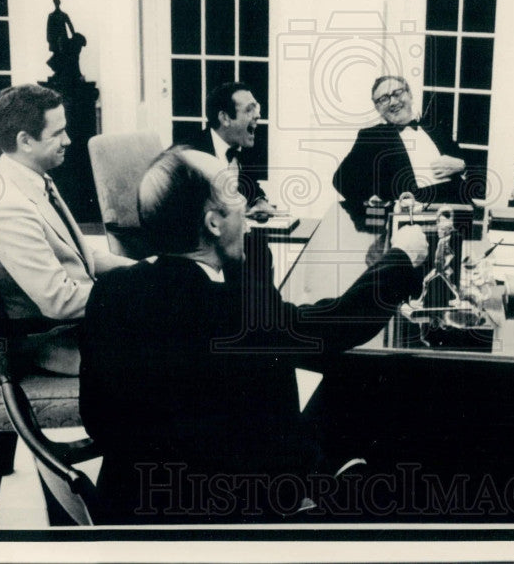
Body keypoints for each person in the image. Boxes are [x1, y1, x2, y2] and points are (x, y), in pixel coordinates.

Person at [79, 148, 428, 523]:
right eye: (233, 191)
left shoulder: (110, 292)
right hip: (231, 520)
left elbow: (96, 419)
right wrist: (400, 258)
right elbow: (336, 324)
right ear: (213, 223)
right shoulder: (237, 310)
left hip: (135, 506)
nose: (245, 199)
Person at [0, 84, 132, 375]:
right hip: (60, 344)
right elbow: (59, 302)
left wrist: (142, 269)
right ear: (25, 141)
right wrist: (136, 292)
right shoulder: (8, 207)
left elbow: (80, 255)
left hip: (82, 329)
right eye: (58, 133)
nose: (69, 140)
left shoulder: (34, 180)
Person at [332, 75, 473, 205]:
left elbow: (474, 170)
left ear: (410, 95)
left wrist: (463, 166)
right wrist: (370, 200)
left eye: (397, 93)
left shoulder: (436, 128)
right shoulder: (372, 137)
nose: (393, 102)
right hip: (412, 216)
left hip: (457, 208)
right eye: (383, 99)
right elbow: (341, 179)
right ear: (377, 108)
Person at [179, 81, 276, 219]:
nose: (257, 115)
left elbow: (252, 187)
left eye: (256, 108)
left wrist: (259, 202)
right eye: (249, 110)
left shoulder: (245, 147)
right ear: (225, 118)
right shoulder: (190, 155)